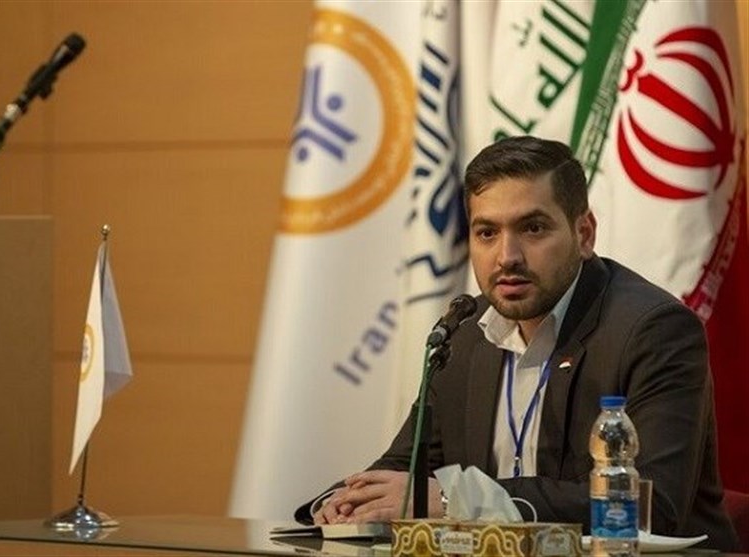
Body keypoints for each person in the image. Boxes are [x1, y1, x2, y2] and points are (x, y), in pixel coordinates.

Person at [294, 136, 740, 552]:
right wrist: (344, 504)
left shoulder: (653, 331)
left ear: (584, 234)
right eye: (487, 233)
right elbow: (404, 469)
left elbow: (651, 506)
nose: (507, 256)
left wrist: (455, 500)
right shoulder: (465, 333)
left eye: (533, 228)